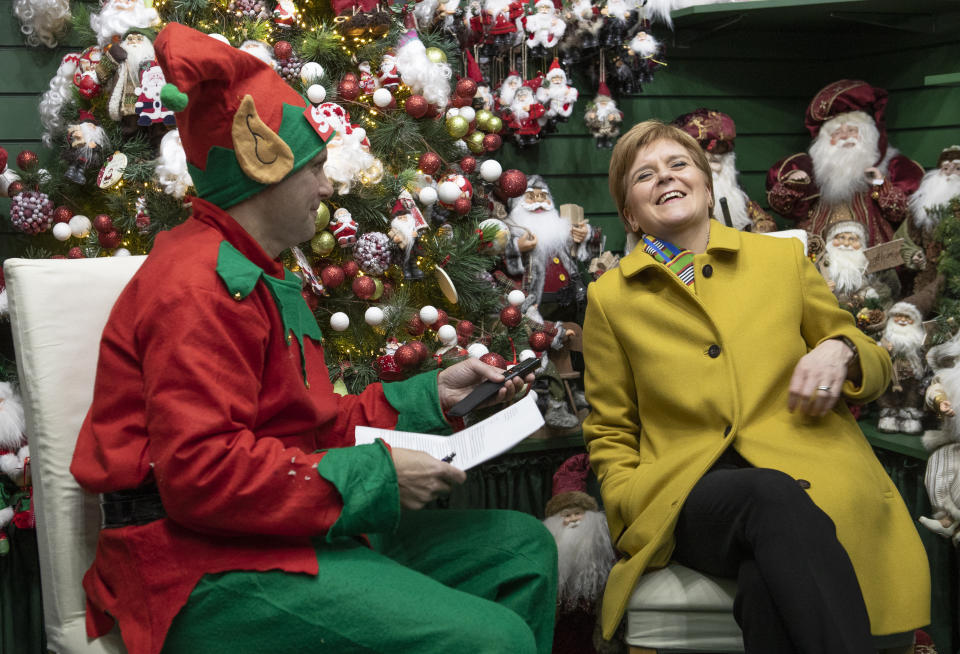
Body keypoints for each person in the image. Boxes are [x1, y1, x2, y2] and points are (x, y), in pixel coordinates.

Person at [69, 22, 556, 654]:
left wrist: (431, 396)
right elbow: (199, 473)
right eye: (317, 168)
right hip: (198, 567)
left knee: (522, 550)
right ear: (262, 167)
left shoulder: (263, 270)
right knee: (495, 640)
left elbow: (308, 427)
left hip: (275, 531)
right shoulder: (196, 285)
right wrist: (376, 480)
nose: (328, 188)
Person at [583, 119, 930, 652]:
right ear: (630, 210)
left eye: (679, 165)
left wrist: (840, 350)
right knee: (771, 498)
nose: (666, 179)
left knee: (770, 579)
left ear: (706, 181)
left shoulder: (781, 259)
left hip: (809, 468)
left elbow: (875, 365)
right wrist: (628, 500)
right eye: (644, 175)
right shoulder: (610, 298)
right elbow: (610, 427)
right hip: (689, 488)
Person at [766, 79, 924, 247]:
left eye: (851, 131)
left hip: (872, 251)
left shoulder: (889, 167)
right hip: (818, 249)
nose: (844, 136)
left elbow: (902, 213)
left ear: (866, 135)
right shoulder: (813, 170)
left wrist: (879, 183)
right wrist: (795, 184)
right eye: (836, 133)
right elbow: (783, 207)